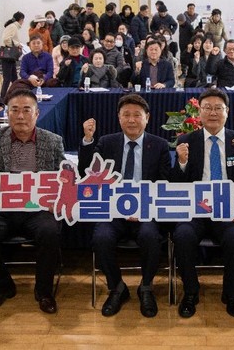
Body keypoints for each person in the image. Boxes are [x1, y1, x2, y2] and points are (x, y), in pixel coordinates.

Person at [0, 89, 66, 314]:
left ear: (37, 113)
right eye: (15, 110)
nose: (20, 116)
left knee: (50, 232)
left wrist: (57, 198)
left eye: (26, 110)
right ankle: (3, 285)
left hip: (38, 208)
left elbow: (64, 175)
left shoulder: (52, 140)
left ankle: (44, 291)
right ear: (6, 113)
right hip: (2, 207)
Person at [78, 94, 171, 317]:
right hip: (113, 211)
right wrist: (88, 140)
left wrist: (144, 206)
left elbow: (165, 183)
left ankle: (146, 286)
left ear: (147, 118)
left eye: (137, 115)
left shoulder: (159, 145)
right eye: (126, 115)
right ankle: (117, 287)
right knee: (101, 238)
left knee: (150, 236)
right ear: (119, 118)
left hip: (145, 211)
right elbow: (87, 173)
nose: (131, 120)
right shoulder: (107, 143)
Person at [171, 88, 234, 318]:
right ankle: (191, 292)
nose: (213, 113)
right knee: (182, 236)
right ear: (199, 112)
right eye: (207, 108)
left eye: (218, 108)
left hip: (228, 210)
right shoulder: (186, 141)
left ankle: (231, 293)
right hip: (195, 210)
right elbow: (175, 184)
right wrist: (181, 163)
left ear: (227, 112)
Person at [0, 11, 26, 97]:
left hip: (10, 56)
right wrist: (15, 46)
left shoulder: (12, 26)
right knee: (7, 79)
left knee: (14, 78)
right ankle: (2, 97)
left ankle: (16, 94)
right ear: (21, 19)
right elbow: (6, 39)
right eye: (23, 20)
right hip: (8, 55)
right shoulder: (13, 26)